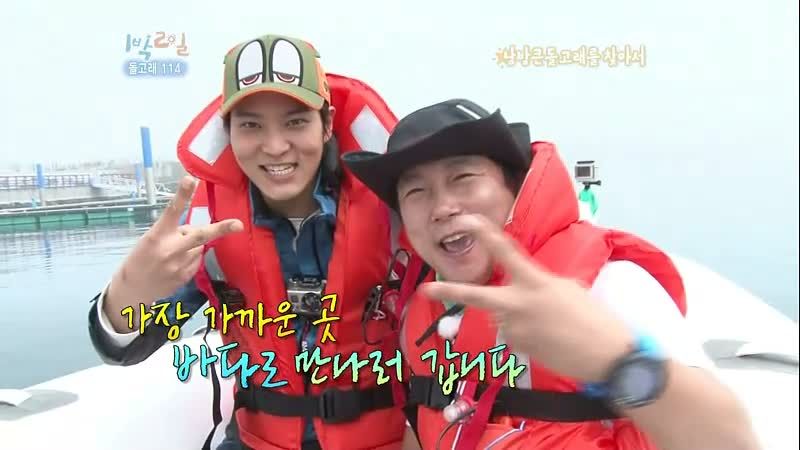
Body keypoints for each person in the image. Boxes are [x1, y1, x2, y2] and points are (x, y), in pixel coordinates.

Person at [342, 99, 761, 450]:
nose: (442, 206)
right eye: (416, 191)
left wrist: (617, 361)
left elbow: (732, 441)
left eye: (464, 178)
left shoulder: (607, 285)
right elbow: (424, 425)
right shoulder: (421, 315)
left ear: (514, 187)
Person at [87, 33, 411, 450]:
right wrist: (126, 293)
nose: (275, 147)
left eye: (296, 121)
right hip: (256, 440)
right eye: (251, 125)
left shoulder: (396, 209)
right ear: (229, 132)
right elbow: (125, 348)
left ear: (328, 124)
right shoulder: (204, 226)